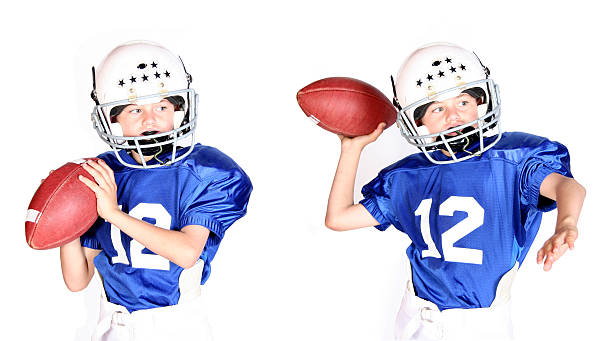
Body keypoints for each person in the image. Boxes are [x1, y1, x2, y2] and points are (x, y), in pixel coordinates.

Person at [324, 42, 585, 340]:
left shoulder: (512, 159)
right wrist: (351, 148)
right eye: (437, 108)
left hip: (481, 326)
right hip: (416, 319)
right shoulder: (406, 175)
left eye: (463, 102)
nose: (454, 116)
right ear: (416, 118)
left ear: (481, 100)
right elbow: (338, 218)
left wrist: (567, 222)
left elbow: (568, 186)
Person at [59, 41, 252, 341]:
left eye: (161, 106)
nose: (150, 119)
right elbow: (77, 279)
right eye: (135, 109)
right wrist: (64, 216)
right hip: (112, 326)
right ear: (112, 117)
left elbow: (187, 252)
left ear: (178, 107)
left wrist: (112, 213)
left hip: (176, 327)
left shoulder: (204, 170)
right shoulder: (107, 173)